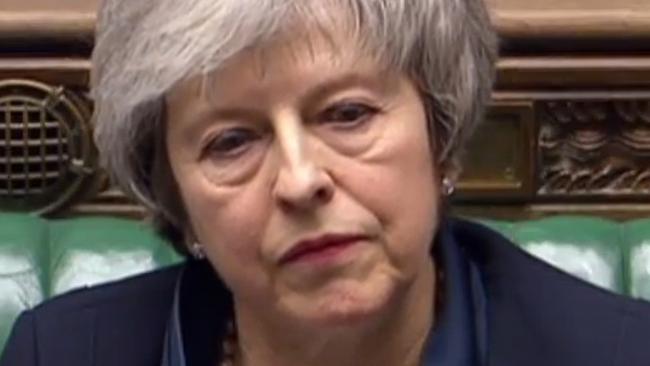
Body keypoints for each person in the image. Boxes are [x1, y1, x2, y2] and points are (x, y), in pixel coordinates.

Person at [2, 0, 650, 365]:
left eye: (348, 114)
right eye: (231, 141)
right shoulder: (64, 353)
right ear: (179, 203)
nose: (301, 180)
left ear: (441, 139)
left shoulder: (615, 353)